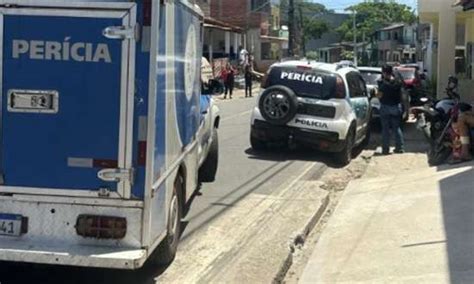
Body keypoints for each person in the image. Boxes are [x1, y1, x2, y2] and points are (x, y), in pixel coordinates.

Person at [377, 65, 405, 155]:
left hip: (385, 107)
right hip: (396, 107)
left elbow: (379, 96)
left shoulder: (381, 83)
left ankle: (385, 150)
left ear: (384, 73)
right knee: (396, 128)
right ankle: (399, 148)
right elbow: (402, 89)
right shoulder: (397, 82)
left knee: (385, 129)